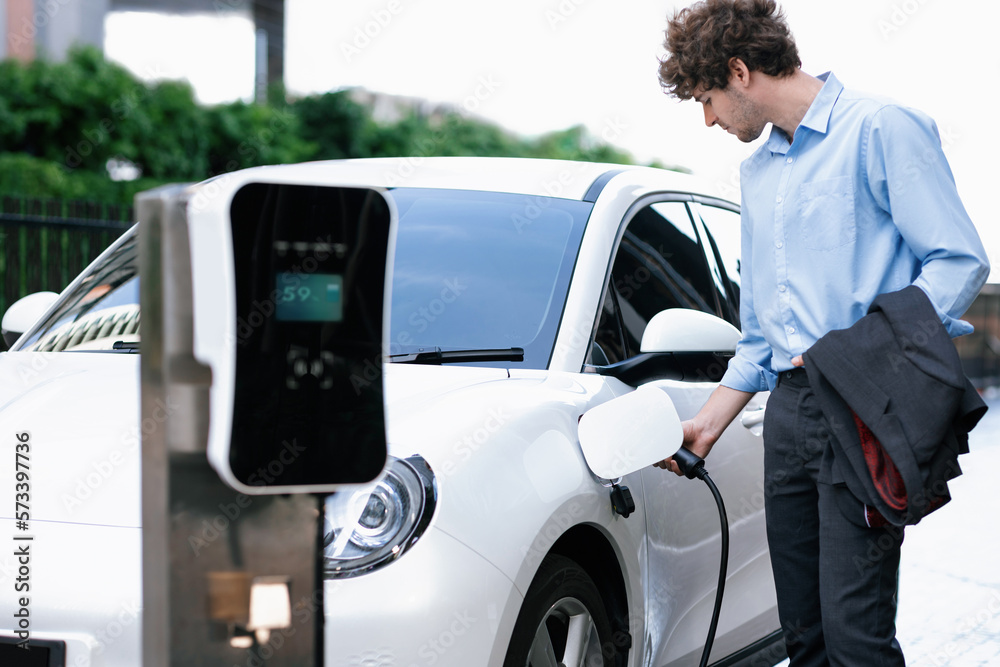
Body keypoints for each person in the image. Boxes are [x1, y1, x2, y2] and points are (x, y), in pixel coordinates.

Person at [653, 1, 990, 665]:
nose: (709, 119)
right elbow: (760, 333)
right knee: (802, 637)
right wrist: (709, 424)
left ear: (740, 70)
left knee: (854, 639)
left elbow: (959, 259)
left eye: (707, 98)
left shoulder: (881, 129)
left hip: (862, 404)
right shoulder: (759, 173)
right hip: (789, 415)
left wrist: (870, 349)